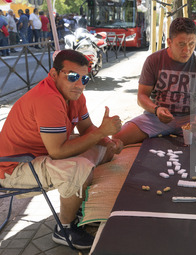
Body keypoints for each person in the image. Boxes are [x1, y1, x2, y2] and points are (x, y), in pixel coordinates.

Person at [0, 50, 123, 249]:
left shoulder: (75, 95)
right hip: (12, 167)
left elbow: (86, 129)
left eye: (84, 79)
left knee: (103, 149)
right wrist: (100, 133)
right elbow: (57, 152)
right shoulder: (47, 98)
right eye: (72, 76)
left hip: (40, 153)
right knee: (77, 168)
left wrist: (108, 140)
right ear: (54, 74)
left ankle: (81, 205)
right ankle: (65, 228)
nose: (79, 84)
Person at [114, 17, 196, 155]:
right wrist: (156, 110)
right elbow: (141, 96)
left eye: (192, 44)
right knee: (117, 138)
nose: (187, 49)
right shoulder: (153, 60)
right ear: (169, 42)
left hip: (192, 118)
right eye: (181, 44)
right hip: (156, 118)